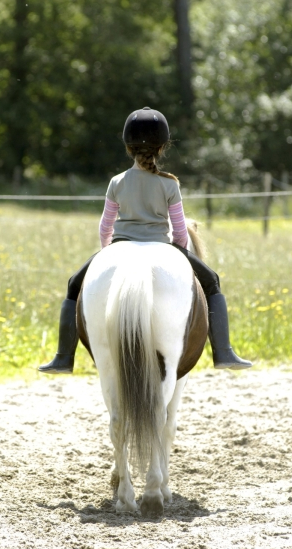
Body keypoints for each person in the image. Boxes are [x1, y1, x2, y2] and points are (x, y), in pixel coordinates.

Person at [39, 107, 252, 374]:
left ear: (128, 148)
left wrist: (107, 251)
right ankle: (223, 352)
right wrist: (180, 251)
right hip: (163, 245)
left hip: (120, 244)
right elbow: (180, 231)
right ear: (162, 147)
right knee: (212, 282)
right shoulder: (169, 184)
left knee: (74, 285)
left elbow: (105, 226)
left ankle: (63, 357)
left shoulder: (117, 182)